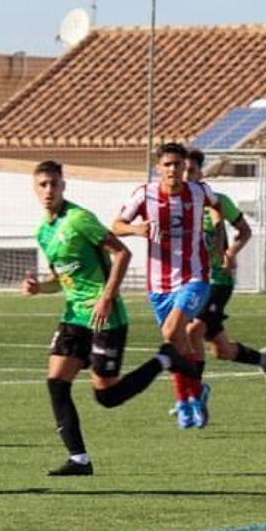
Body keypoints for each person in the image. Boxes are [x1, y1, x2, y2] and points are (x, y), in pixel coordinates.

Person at [25, 160, 195, 475]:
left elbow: (122, 253)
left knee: (107, 396)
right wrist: (40, 287)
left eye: (54, 184)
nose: (49, 190)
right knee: (56, 382)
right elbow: (59, 279)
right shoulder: (43, 232)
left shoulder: (79, 220)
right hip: (74, 316)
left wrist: (106, 298)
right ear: (35, 189)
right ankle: (79, 459)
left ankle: (166, 358)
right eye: (43, 184)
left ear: (63, 186)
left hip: (107, 317)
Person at [110, 142, 238, 429]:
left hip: (195, 278)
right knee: (177, 343)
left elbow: (218, 208)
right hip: (159, 285)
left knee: (172, 330)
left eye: (177, 165)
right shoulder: (145, 194)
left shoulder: (200, 191)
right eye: (167, 165)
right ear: (159, 169)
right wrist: (135, 229)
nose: (173, 170)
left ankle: (188, 399)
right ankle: (190, 397)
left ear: (184, 168)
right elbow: (115, 225)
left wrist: (219, 242)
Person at [185, 148, 266, 392]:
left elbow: (244, 231)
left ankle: (194, 394)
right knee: (221, 350)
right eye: (181, 169)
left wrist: (230, 253)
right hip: (190, 281)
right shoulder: (174, 208)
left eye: (191, 170)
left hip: (218, 280)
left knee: (193, 329)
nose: (185, 175)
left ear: (200, 173)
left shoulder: (217, 201)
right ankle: (263, 359)